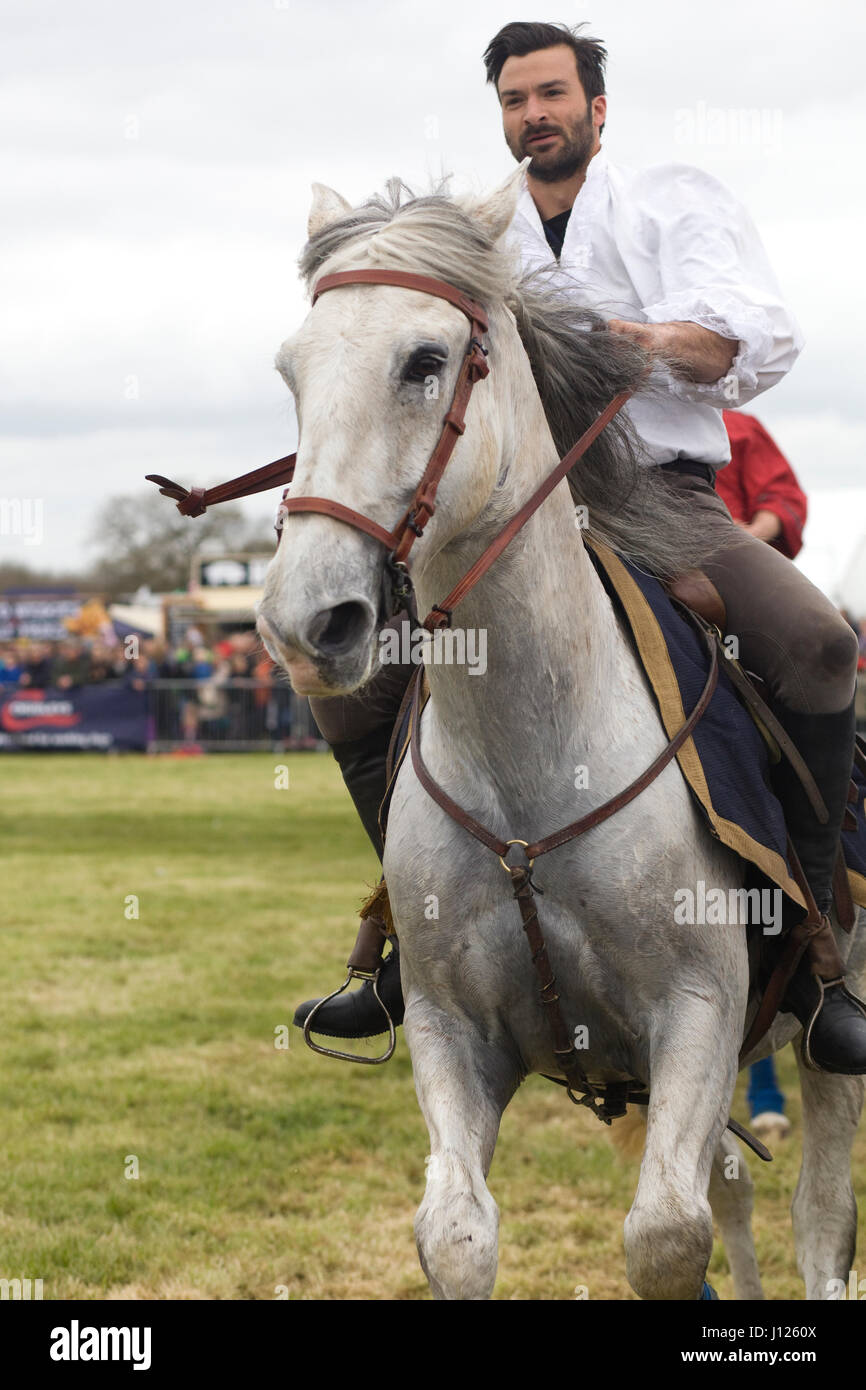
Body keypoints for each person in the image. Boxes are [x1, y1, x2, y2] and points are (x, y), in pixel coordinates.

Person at [294, 21, 865, 1074]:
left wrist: (636, 343)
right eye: (515, 101)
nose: (533, 116)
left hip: (658, 496)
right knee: (341, 690)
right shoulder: (477, 235)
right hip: (511, 516)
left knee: (818, 643)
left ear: (596, 108)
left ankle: (821, 954)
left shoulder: (669, 199)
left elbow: (752, 336)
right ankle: (405, 944)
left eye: (551, 94)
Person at [719, 410, 809, 1139]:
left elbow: (783, 504)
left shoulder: (737, 427)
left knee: (796, 734)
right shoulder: (588, 414)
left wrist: (736, 546)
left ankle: (836, 923)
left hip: (726, 595)